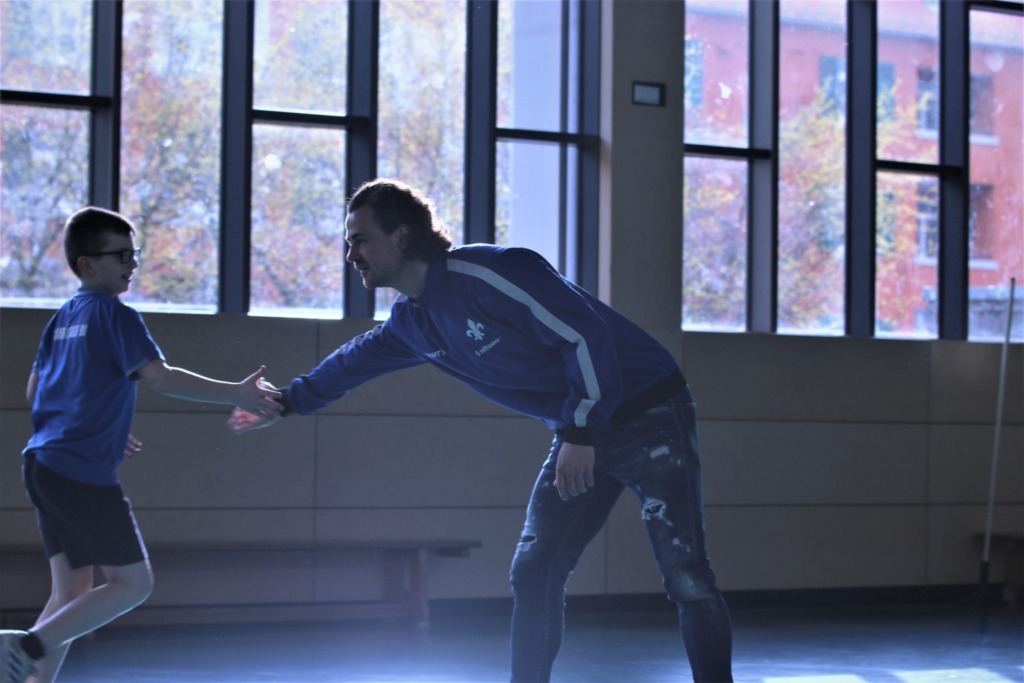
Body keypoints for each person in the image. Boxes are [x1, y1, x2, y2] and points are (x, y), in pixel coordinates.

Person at [228, 178, 734, 682]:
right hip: (580, 427)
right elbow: (353, 361)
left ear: (401, 236)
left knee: (686, 575)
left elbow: (584, 336)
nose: (350, 255)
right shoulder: (412, 322)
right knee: (534, 573)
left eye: (360, 240)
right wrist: (285, 402)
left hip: (648, 410)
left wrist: (581, 432)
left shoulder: (493, 273)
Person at [0, 207, 282, 683]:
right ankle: (23, 646)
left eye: (135, 254)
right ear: (88, 264)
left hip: (43, 464)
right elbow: (162, 379)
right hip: (79, 471)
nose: (132, 264)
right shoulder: (115, 315)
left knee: (71, 593)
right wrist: (235, 392)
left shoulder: (62, 318)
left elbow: (35, 391)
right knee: (133, 584)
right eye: (121, 256)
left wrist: (99, 423)